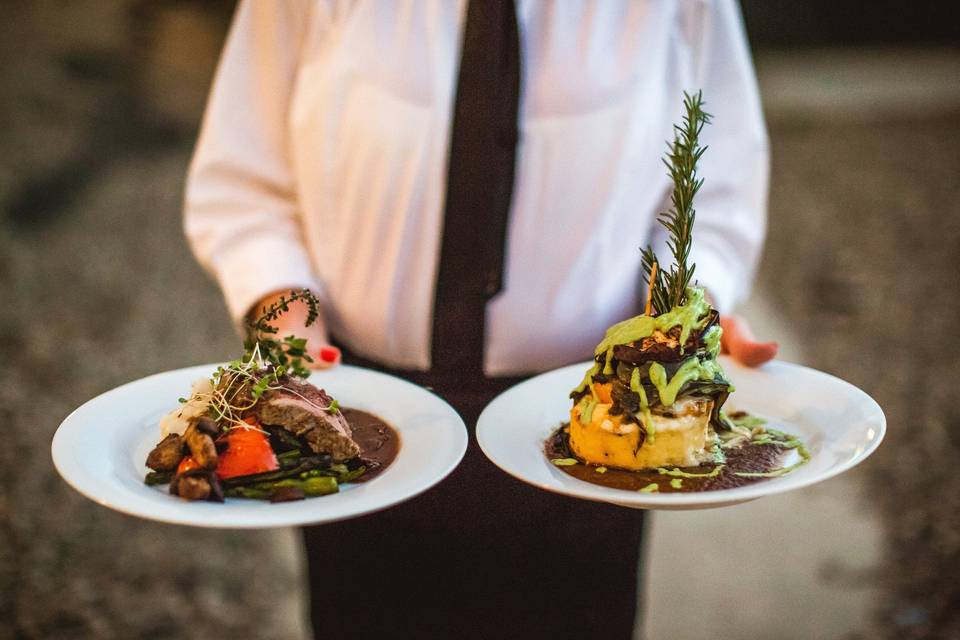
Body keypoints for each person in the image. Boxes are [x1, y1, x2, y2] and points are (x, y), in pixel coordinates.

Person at [184, 2, 776, 638]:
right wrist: (290, 337)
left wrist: (685, 327)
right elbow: (247, 185)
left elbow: (714, 192)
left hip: (592, 430)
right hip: (359, 417)